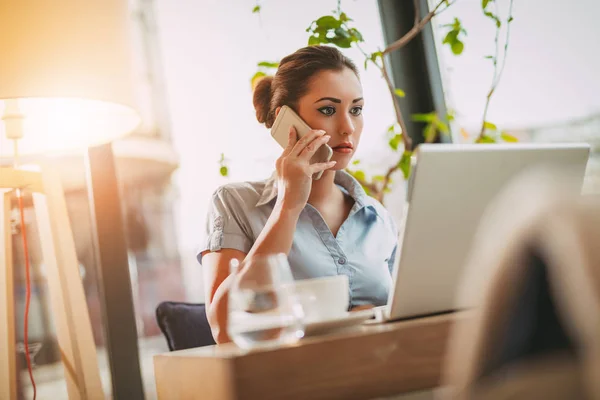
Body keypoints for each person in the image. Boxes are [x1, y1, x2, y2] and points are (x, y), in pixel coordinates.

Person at [198, 45, 398, 343]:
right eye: (328, 110)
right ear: (286, 120)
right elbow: (225, 329)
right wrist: (288, 206)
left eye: (356, 109)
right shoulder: (235, 203)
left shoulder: (377, 217)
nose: (348, 128)